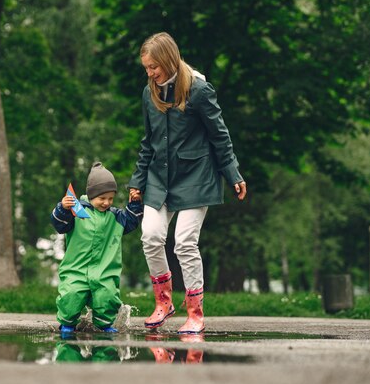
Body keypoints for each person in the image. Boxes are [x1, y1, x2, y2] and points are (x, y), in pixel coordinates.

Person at [128, 32, 247, 334]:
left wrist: (233, 173)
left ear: (168, 60)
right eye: (146, 68)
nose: (150, 73)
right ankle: (164, 302)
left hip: (196, 177)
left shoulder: (198, 90)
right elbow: (147, 142)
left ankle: (195, 312)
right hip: (159, 177)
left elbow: (220, 135)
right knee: (151, 236)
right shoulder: (149, 93)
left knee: (183, 242)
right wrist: (137, 181)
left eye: (154, 67)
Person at [51, 162, 143, 334]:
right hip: (76, 269)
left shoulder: (115, 217)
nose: (106, 202)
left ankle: (104, 325)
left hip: (104, 271)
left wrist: (135, 204)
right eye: (102, 198)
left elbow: (132, 222)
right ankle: (67, 324)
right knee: (71, 295)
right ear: (91, 194)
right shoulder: (76, 212)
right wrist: (62, 208)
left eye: (110, 198)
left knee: (107, 296)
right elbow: (59, 225)